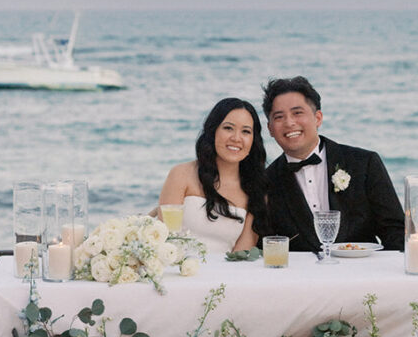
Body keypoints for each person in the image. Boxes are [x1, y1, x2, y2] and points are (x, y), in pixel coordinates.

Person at [262, 76, 404, 252]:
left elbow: (396, 232)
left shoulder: (364, 164)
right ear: (270, 129)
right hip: (301, 277)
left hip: (362, 273)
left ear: (318, 118)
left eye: (297, 113)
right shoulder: (266, 182)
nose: (289, 123)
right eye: (279, 117)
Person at [158, 97, 268, 253]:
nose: (236, 138)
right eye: (228, 128)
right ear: (213, 130)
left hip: (225, 275)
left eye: (246, 131)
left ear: (253, 140)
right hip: (176, 271)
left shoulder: (256, 190)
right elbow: (164, 239)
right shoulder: (181, 174)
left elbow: (242, 255)